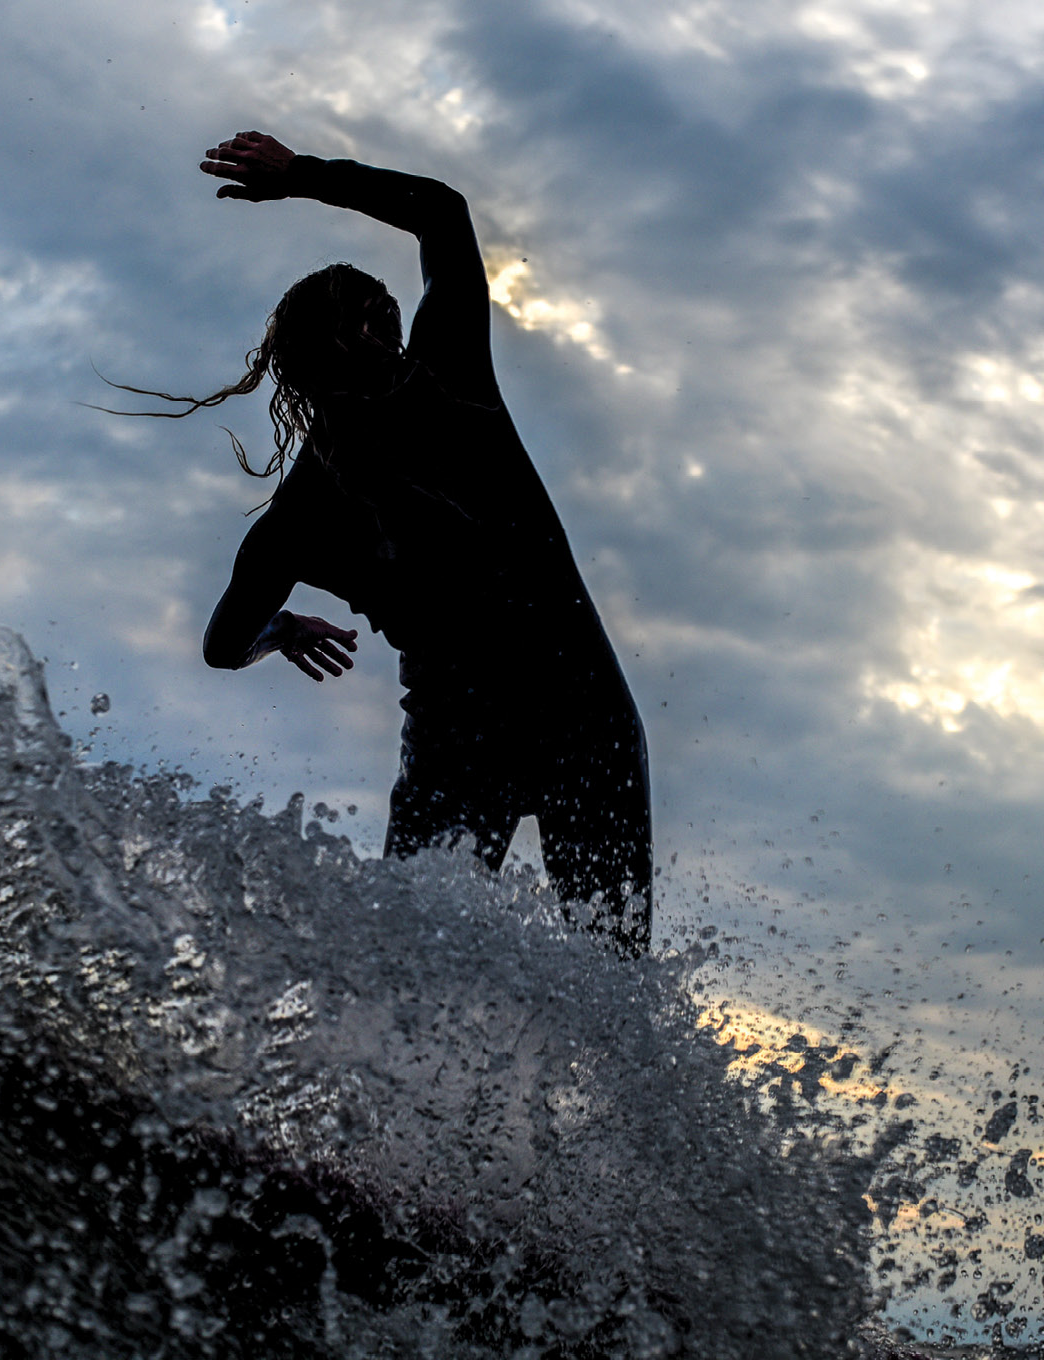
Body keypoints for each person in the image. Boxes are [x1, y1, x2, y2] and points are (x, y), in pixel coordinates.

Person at [112, 130, 651, 955]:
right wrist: (299, 177)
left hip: (472, 740)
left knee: (419, 983)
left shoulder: (296, 520)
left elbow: (225, 644)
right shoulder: (447, 381)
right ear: (388, 328)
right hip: (571, 707)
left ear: (288, 368)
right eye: (376, 326)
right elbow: (441, 212)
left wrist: (281, 631)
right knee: (613, 979)